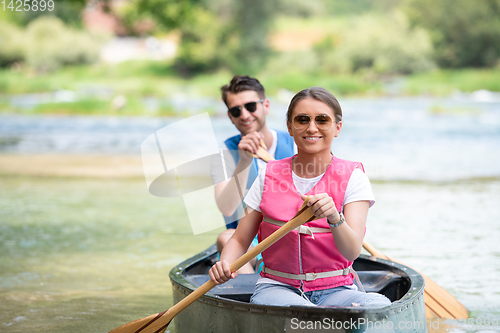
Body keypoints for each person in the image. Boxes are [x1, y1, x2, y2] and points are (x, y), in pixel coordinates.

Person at [209, 87, 391, 307]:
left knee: (379, 305)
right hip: (277, 288)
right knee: (306, 314)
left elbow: (352, 251)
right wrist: (225, 263)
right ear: (290, 127)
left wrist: (334, 216)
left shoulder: (354, 177)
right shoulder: (268, 174)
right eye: (302, 120)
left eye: (322, 120)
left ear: (337, 128)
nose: (311, 128)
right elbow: (239, 239)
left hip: (338, 290)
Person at [213, 75, 295, 273]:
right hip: (247, 245)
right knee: (225, 237)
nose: (244, 115)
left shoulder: (295, 143)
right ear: (230, 117)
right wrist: (244, 161)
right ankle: (256, 292)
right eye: (236, 110)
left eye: (250, 106)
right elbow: (226, 208)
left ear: (265, 105)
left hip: (291, 237)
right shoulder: (224, 155)